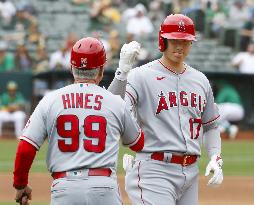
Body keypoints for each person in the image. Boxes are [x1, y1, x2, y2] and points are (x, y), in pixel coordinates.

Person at [12, 37, 144, 205]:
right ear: (101, 69)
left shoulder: (50, 99)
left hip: (64, 188)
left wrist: (20, 184)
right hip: (103, 188)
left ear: (72, 67)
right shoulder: (115, 101)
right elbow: (137, 144)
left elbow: (25, 148)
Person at [108, 14, 223, 205]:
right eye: (174, 40)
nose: (180, 46)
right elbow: (111, 107)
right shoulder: (141, 75)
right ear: (163, 41)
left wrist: (215, 156)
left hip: (190, 172)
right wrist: (121, 74)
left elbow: (211, 125)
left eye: (185, 42)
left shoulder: (200, 80)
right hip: (155, 169)